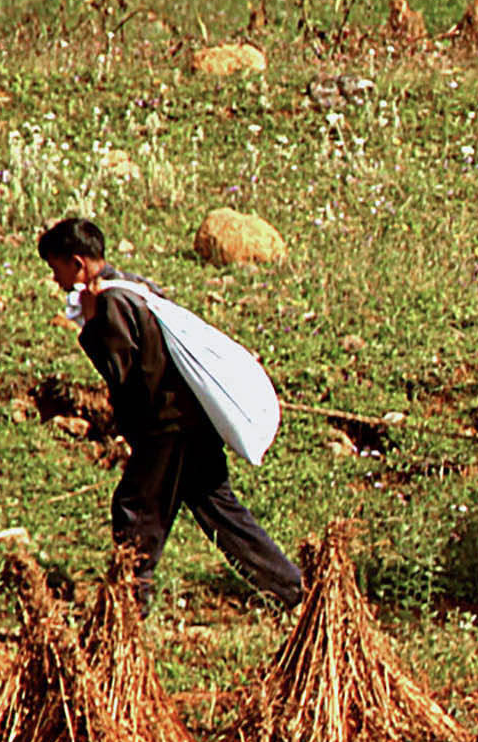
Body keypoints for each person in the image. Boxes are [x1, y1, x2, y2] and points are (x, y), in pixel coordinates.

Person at [35, 215, 304, 609]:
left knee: (136, 509)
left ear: (77, 263)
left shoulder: (110, 302)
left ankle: (129, 604)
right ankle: (289, 587)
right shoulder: (135, 286)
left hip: (167, 426)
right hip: (192, 419)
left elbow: (123, 373)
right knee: (219, 509)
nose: (56, 280)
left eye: (56, 268)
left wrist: (91, 326)